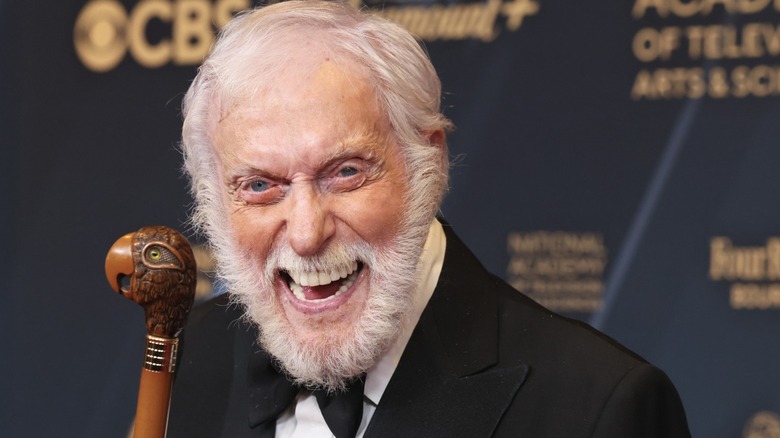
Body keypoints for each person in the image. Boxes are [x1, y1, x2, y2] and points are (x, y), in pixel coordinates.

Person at [167, 1, 691, 437]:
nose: (306, 234)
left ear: (428, 164)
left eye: (346, 172)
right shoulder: (194, 355)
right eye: (260, 186)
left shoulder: (602, 408)